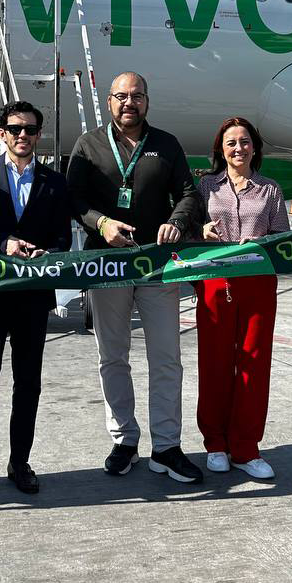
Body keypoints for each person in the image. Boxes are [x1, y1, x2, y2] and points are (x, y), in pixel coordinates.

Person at [66, 71, 203, 483]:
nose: (130, 103)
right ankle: (124, 439)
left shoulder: (166, 144)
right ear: (109, 101)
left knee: (167, 358)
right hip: (107, 265)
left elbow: (189, 194)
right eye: (122, 96)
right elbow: (73, 199)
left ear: (147, 101)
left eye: (137, 96)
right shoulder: (88, 144)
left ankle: (167, 446)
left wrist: (177, 222)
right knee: (113, 356)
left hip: (156, 264)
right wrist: (101, 222)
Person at [0, 101, 72, 497]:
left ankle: (19, 462)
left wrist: (46, 252)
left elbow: (63, 236)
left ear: (39, 135)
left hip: (33, 296)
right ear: (2, 132)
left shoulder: (54, 182)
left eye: (31, 129)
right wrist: (3, 242)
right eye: (16, 128)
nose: (24, 135)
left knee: (28, 383)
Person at [196, 117, 290, 479]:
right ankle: (215, 443)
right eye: (231, 143)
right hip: (215, 283)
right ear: (221, 149)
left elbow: (282, 237)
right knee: (215, 363)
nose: (239, 148)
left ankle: (246, 447)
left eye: (245, 142)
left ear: (255, 148)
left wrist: (262, 242)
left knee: (254, 364)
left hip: (257, 283)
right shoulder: (206, 186)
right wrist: (201, 229)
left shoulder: (269, 190)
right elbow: (190, 230)